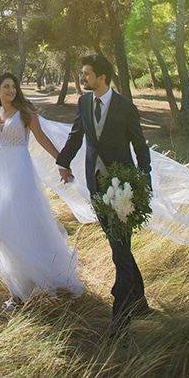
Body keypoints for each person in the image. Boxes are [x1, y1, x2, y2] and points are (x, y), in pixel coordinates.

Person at [56, 53, 151, 337]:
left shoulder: (125, 106)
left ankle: (120, 316)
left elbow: (141, 147)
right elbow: (76, 135)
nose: (82, 78)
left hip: (122, 187)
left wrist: (143, 181)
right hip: (96, 185)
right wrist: (63, 162)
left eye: (86, 74)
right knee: (118, 246)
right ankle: (140, 301)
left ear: (102, 77)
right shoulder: (84, 102)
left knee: (120, 249)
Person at [0, 71, 85, 309]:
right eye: (6, 86)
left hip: (20, 172)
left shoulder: (26, 114)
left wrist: (61, 163)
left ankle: (23, 289)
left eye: (14, 87)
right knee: (11, 227)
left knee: (1, 229)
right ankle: (18, 289)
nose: (11, 90)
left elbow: (42, 139)